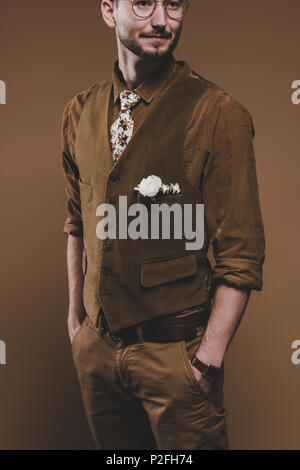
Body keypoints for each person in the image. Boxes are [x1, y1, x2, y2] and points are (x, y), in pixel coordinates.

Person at [61, 0, 265, 450]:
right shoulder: (80, 111)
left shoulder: (218, 112)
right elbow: (77, 223)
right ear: (109, 11)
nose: (160, 20)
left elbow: (241, 254)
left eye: (173, 5)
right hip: (96, 355)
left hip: (175, 358)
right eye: (144, 3)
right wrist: (77, 325)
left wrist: (207, 360)